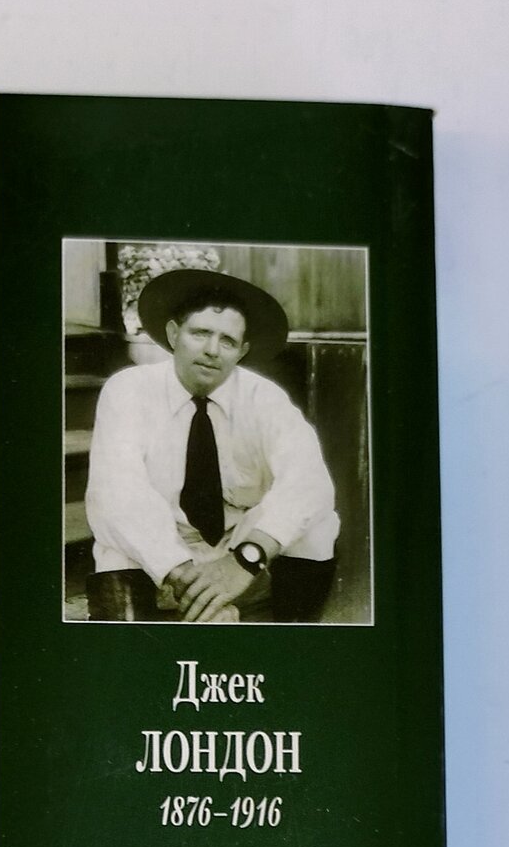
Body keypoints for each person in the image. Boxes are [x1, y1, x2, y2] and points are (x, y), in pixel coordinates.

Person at [82, 267, 338, 623]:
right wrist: (188, 578)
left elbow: (310, 481)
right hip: (163, 557)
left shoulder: (264, 398)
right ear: (174, 334)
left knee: (317, 524)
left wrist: (246, 559)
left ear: (242, 351)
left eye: (228, 341)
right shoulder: (129, 390)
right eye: (200, 333)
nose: (212, 351)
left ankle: (291, 635)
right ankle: (134, 643)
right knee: (115, 535)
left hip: (238, 555)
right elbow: (119, 493)